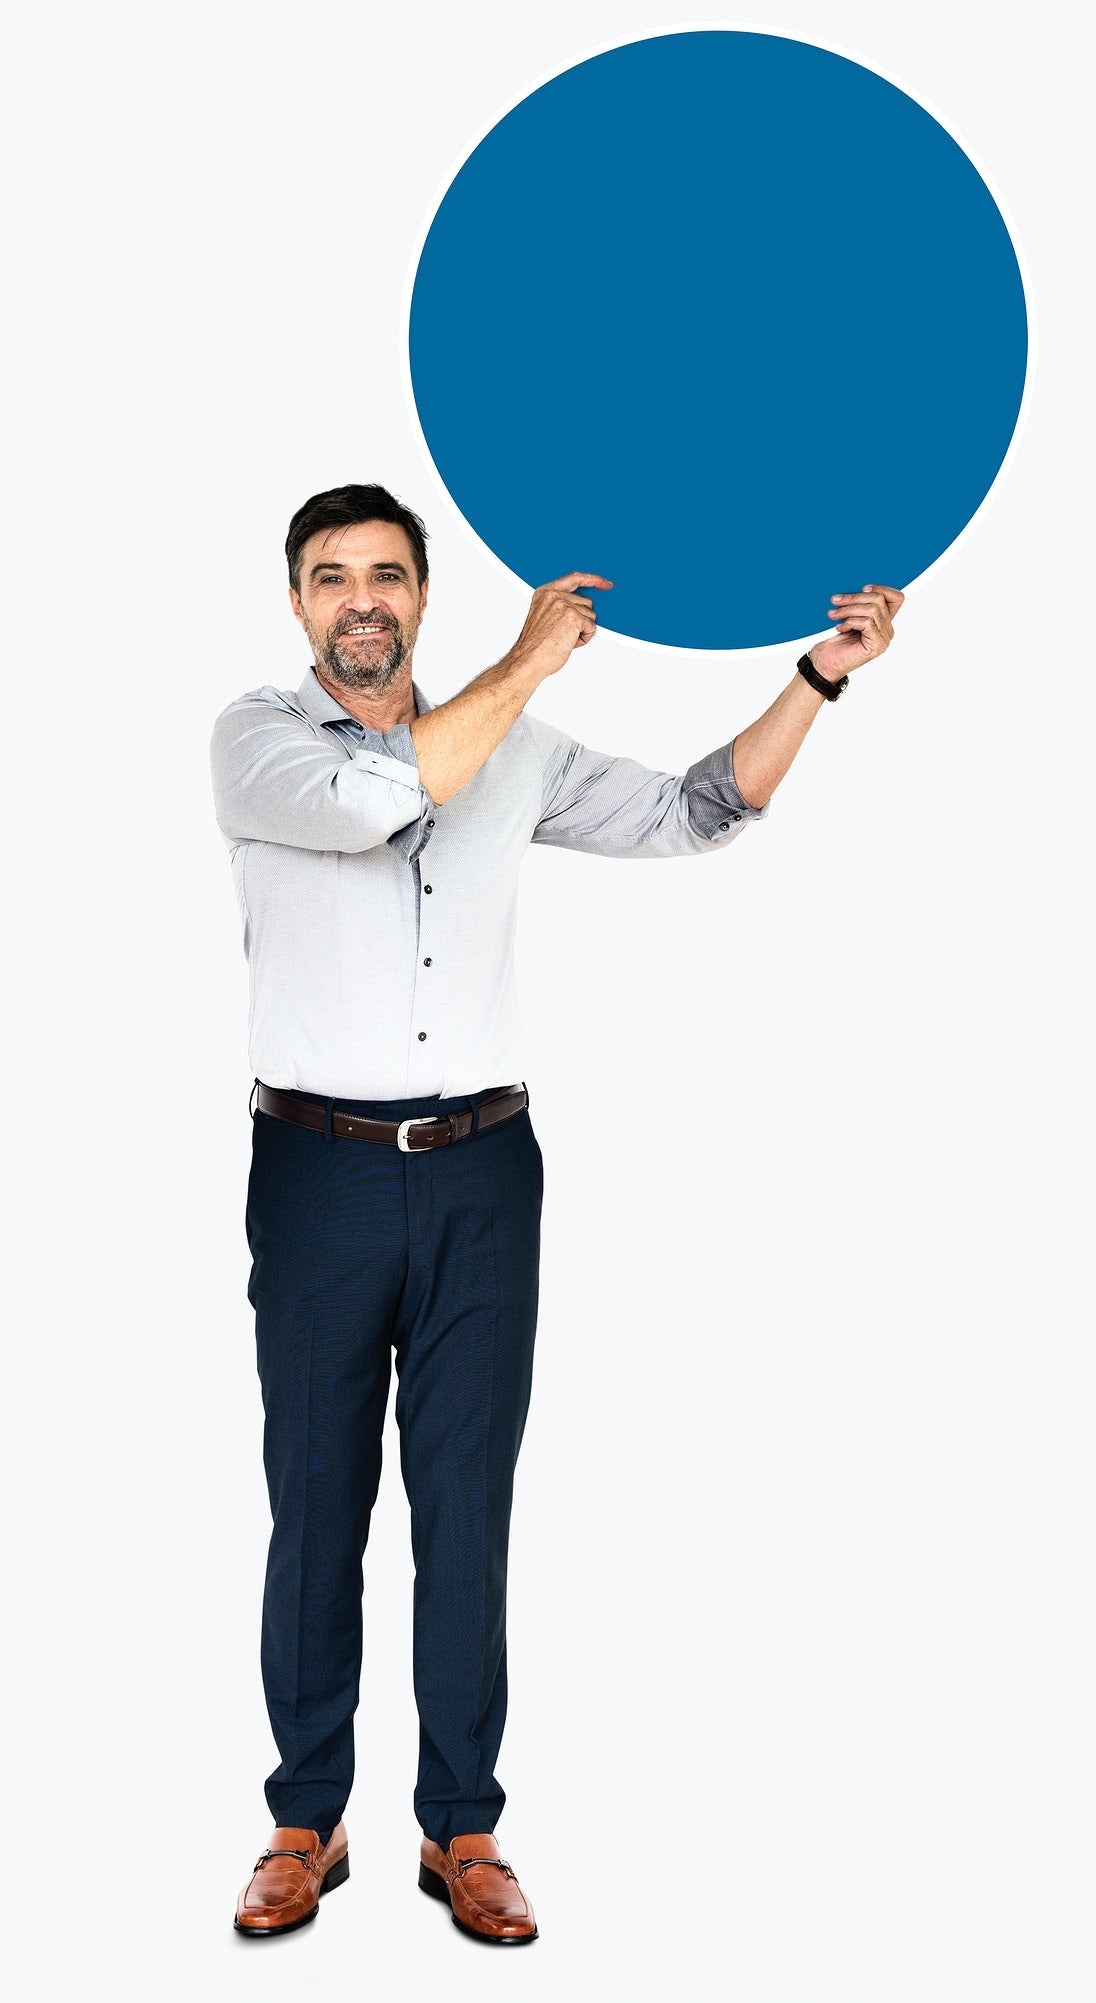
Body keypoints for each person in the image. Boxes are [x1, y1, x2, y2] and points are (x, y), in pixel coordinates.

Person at [210, 481, 902, 1944]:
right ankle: (303, 1818)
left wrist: (815, 682)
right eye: (331, 578)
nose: (361, 602)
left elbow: (696, 812)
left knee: (467, 1507)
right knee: (317, 1504)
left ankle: (461, 1830)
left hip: (480, 1175)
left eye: (387, 575)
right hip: (319, 1174)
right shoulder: (258, 744)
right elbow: (383, 801)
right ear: (295, 603)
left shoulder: (515, 751)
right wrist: (523, 661)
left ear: (419, 594)